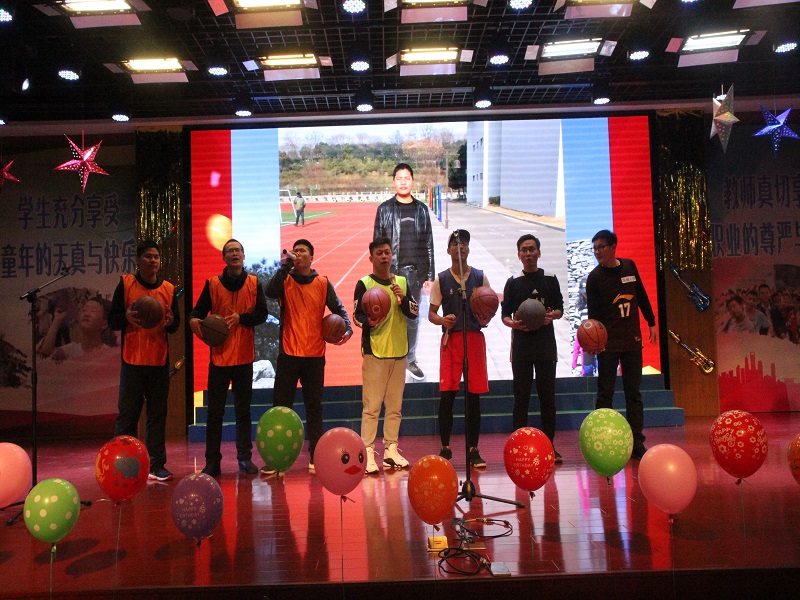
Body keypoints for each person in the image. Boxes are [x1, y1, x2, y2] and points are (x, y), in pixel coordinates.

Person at [262, 238, 353, 475]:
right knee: (281, 408)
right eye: (296, 250)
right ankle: (277, 460)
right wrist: (286, 265)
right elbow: (269, 291)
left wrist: (347, 329)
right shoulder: (285, 280)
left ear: (312, 257)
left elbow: (340, 310)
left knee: (314, 409)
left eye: (303, 251)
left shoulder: (323, 283)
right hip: (289, 354)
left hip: (314, 356)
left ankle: (316, 456)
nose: (298, 253)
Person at [189, 238, 268, 478]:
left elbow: (262, 315)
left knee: (243, 412)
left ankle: (244, 458)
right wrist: (193, 321)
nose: (234, 253)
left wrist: (241, 318)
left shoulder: (254, 283)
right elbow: (197, 312)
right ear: (224, 258)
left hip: (244, 357)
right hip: (220, 359)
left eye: (238, 250)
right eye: (230, 251)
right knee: (215, 413)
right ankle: (213, 462)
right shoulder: (212, 284)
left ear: (243, 256)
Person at [110, 240, 181, 482]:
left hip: (158, 363)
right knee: (128, 416)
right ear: (139, 260)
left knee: (157, 416)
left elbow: (175, 324)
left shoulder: (168, 289)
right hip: (132, 362)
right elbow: (112, 320)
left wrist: (171, 322)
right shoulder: (126, 284)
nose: (153, 260)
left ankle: (156, 465)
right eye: (148, 256)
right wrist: (126, 317)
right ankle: (122, 464)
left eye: (156, 257)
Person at [586, 230, 657, 462]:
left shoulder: (629, 266)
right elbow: (593, 315)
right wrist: (596, 342)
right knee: (605, 393)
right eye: (595, 248)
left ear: (613, 247)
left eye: (601, 247)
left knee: (633, 394)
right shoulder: (594, 277)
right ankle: (601, 439)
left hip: (631, 341)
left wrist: (651, 322)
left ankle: (637, 442)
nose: (597, 252)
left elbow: (641, 296)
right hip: (608, 344)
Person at [353, 236, 418, 474]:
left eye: (387, 252)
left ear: (392, 255)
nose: (384, 256)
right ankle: (368, 451)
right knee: (372, 407)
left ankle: (391, 450)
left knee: (395, 408)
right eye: (379, 253)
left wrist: (403, 299)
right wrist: (368, 321)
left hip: (399, 352)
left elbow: (414, 312)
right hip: (375, 352)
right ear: (371, 257)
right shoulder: (364, 284)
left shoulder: (401, 281)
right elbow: (357, 316)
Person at [428, 230, 489, 468]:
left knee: (473, 398)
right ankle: (445, 447)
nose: (460, 246)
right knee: (448, 396)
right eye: (455, 243)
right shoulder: (441, 279)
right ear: (448, 250)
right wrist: (443, 320)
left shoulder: (480, 277)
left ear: (468, 249)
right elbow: (432, 314)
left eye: (464, 243)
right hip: (452, 340)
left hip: (474, 339)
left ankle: (473, 450)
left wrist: (485, 318)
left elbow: (489, 310)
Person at [501, 234, 564, 462]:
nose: (528, 254)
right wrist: (513, 324)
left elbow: (560, 309)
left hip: (545, 347)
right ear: (519, 255)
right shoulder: (513, 282)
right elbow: (504, 315)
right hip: (522, 348)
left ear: (539, 252)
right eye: (524, 250)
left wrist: (550, 316)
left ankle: (549, 447)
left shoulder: (550, 279)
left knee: (548, 399)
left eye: (532, 249)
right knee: (521, 399)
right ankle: (519, 447)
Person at [373, 163, 434, 381]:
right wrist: (380, 273)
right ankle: (389, 358)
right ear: (393, 182)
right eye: (399, 178)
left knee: (412, 318)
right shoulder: (384, 209)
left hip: (414, 274)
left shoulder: (421, 210)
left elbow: (428, 243)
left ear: (412, 181)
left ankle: (410, 360)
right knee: (388, 316)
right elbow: (377, 243)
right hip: (391, 272)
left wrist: (429, 275)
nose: (403, 182)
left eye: (407, 178)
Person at [38, 297, 116, 361]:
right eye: (84, 310)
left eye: (93, 311)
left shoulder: (109, 354)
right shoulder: (72, 349)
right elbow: (46, 352)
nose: (86, 314)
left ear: (104, 324)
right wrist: (57, 320)